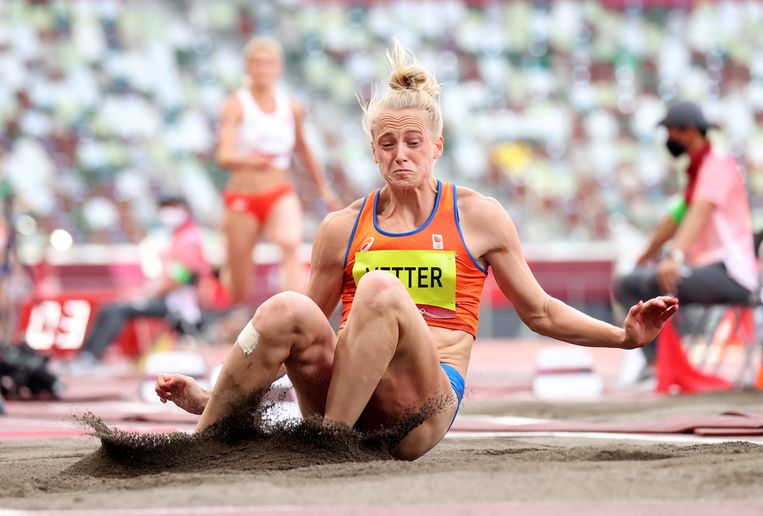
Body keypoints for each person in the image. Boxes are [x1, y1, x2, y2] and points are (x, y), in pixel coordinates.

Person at [157, 41, 678, 460]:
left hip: (420, 409)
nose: (400, 155)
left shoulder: (478, 216)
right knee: (285, 307)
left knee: (381, 289)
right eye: (387, 144)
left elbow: (540, 312)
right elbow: (299, 342)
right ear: (373, 152)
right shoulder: (342, 227)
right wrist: (222, 393)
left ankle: (326, 447)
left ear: (437, 146)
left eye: (412, 142)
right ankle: (207, 433)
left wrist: (624, 339)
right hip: (346, 398)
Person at [614, 100, 758, 370]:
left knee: (654, 282)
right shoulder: (695, 173)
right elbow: (673, 221)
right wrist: (643, 257)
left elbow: (699, 211)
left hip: (731, 274)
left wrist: (674, 256)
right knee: (628, 283)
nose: (668, 139)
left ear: (690, 131)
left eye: (671, 131)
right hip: (705, 269)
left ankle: (668, 366)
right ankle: (657, 365)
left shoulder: (718, 164)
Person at [216, 36, 339, 304]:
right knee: (240, 278)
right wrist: (251, 161)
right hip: (242, 196)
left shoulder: (291, 107)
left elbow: (304, 150)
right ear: (248, 67)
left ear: (279, 68)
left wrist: (323, 188)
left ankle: (295, 311)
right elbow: (224, 155)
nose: (263, 69)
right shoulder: (237, 104)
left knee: (290, 241)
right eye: (257, 63)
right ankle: (234, 307)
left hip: (278, 190)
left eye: (269, 63)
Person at [74, 195, 212, 366]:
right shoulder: (176, 238)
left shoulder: (189, 240)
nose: (167, 212)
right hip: (164, 298)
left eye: (172, 206)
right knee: (108, 308)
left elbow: (178, 280)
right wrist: (143, 293)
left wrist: (147, 296)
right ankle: (85, 355)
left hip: (177, 304)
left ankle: (90, 358)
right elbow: (167, 276)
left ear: (184, 210)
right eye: (164, 206)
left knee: (119, 310)